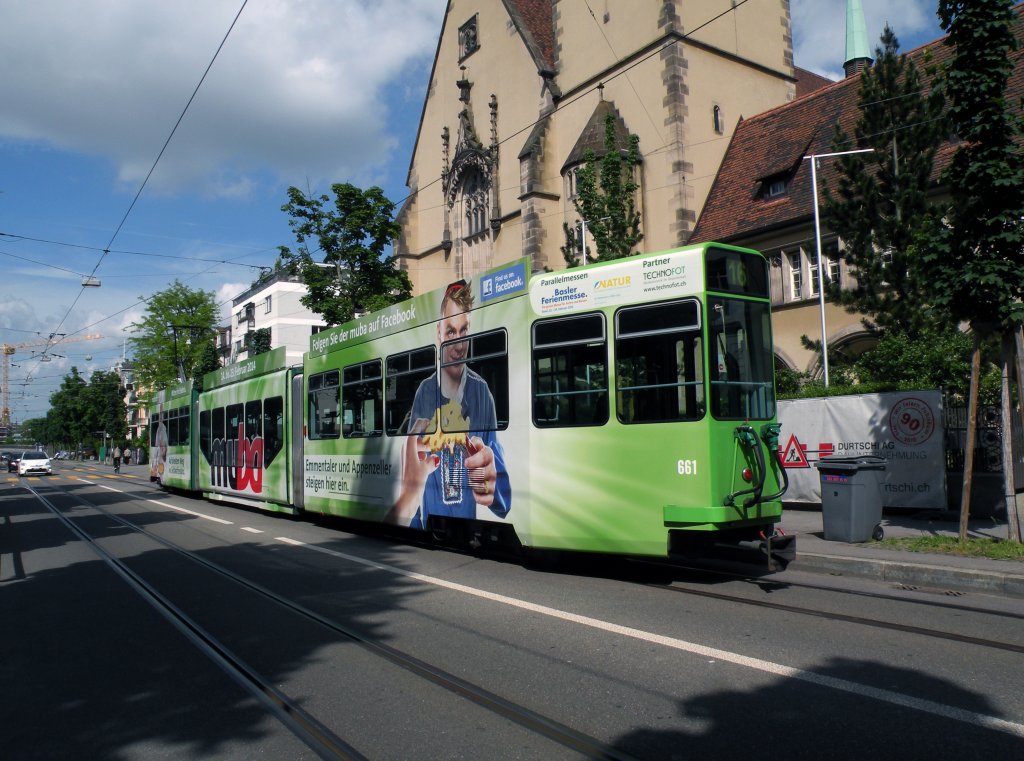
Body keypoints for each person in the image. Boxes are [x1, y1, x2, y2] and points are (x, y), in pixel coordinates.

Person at [386, 280, 511, 528]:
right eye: (451, 332)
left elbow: (501, 498)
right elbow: (415, 472)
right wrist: (413, 529)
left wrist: (492, 483)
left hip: (467, 527)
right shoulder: (425, 392)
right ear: (439, 333)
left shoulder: (481, 392)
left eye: (464, 331)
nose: (459, 345)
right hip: (431, 526)